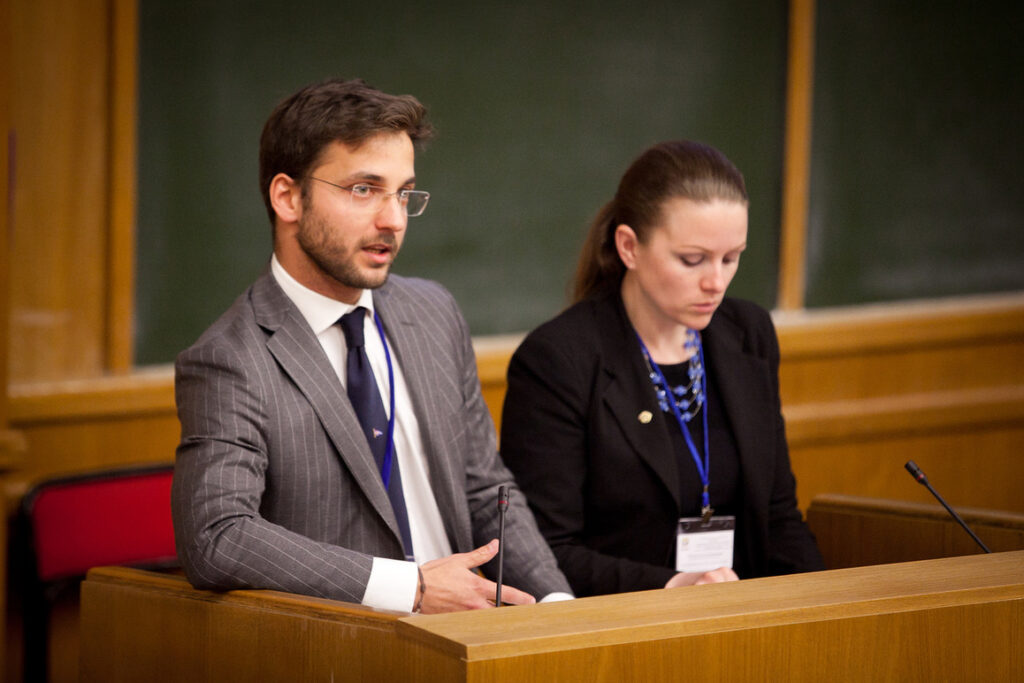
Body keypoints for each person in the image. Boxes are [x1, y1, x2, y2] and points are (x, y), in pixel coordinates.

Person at [171, 78, 572, 614]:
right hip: (349, 651)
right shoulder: (230, 359)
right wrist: (412, 589)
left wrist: (558, 602)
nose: (394, 220)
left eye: (403, 193)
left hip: (475, 639)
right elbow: (217, 537)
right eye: (364, 189)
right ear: (288, 197)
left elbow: (483, 487)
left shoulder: (433, 313)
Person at [500, 140, 824, 597]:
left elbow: (777, 516)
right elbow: (547, 551)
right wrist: (672, 587)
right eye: (692, 260)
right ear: (629, 247)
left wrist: (820, 606)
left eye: (731, 258)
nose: (716, 282)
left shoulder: (748, 333)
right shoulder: (558, 360)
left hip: (743, 624)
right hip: (622, 633)